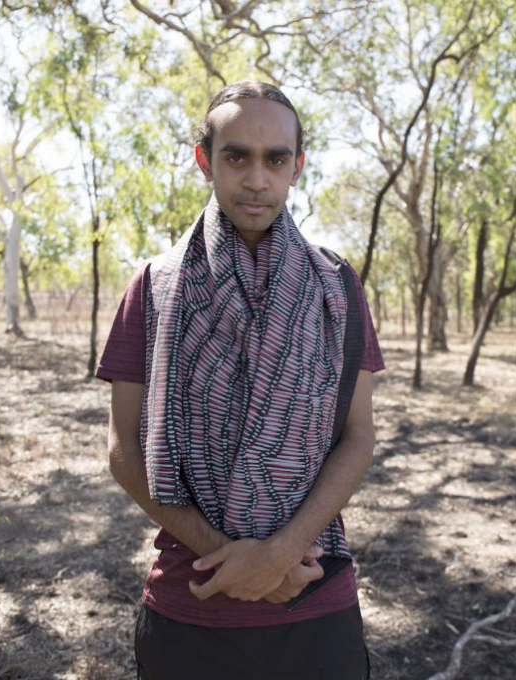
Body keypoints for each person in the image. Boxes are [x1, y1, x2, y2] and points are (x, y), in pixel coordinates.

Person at [96, 81, 385, 679]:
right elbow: (125, 450)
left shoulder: (337, 287)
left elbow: (357, 434)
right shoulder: (154, 287)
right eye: (237, 156)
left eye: (276, 158)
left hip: (314, 599)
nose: (257, 177)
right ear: (205, 160)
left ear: (297, 167)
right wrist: (232, 559)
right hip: (192, 604)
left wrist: (279, 556)